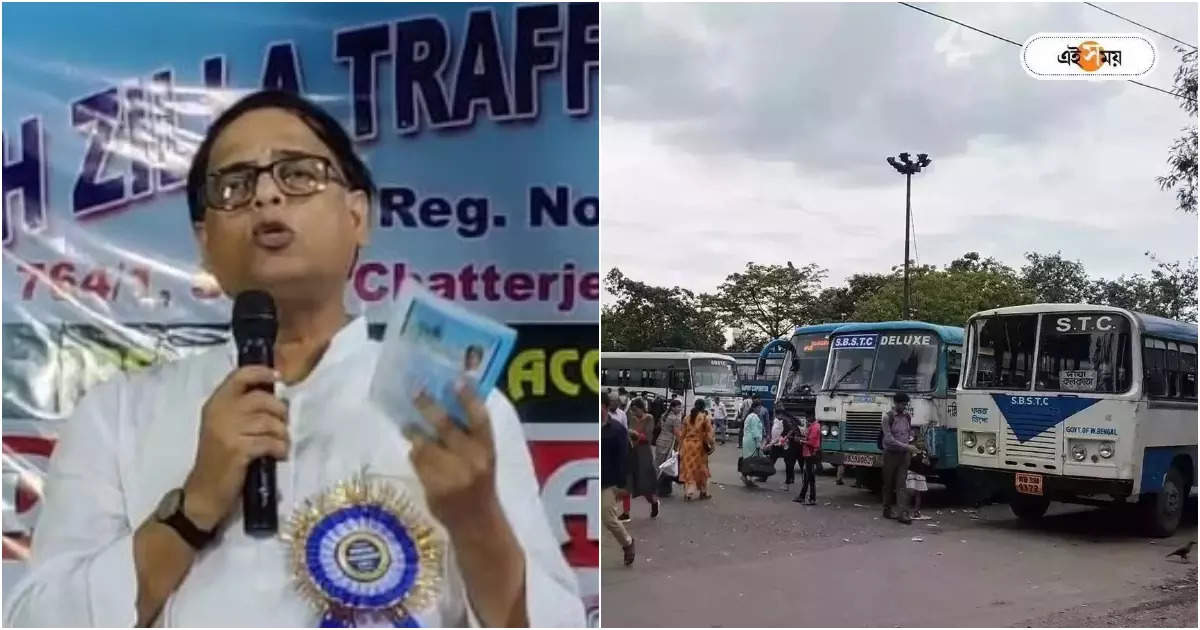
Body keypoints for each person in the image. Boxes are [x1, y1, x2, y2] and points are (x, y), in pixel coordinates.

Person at [2, 90, 583, 627]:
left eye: (299, 174)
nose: (266, 194)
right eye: (233, 185)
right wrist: (194, 507)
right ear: (205, 240)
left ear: (359, 217)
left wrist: (477, 518)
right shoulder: (117, 414)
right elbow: (40, 619)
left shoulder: (451, 409)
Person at [602, 399, 636, 566]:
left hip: (607, 482)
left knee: (608, 518)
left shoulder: (616, 430)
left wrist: (623, 484)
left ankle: (627, 543)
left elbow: (624, 457)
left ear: (606, 408)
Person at [881, 392, 919, 525]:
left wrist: (912, 441)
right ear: (896, 403)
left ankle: (903, 514)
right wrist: (907, 447)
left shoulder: (907, 417)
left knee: (901, 484)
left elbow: (909, 433)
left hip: (904, 455)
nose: (904, 406)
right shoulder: (888, 417)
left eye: (905, 404)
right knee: (888, 484)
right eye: (902, 404)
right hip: (890, 454)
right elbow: (889, 439)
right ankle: (887, 509)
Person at [624, 398, 661, 518]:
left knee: (646, 481)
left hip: (644, 452)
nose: (635, 413)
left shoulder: (649, 418)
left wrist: (635, 434)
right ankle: (626, 511)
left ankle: (653, 502)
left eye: (636, 410)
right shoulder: (632, 419)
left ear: (641, 408)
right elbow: (628, 432)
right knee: (630, 480)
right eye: (633, 410)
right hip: (633, 451)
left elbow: (648, 436)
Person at [679, 399, 715, 500]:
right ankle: (703, 492)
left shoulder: (687, 418)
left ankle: (688, 493)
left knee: (689, 469)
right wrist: (712, 445)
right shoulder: (704, 418)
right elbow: (709, 434)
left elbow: (682, 434)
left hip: (687, 445)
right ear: (703, 407)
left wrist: (679, 447)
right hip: (699, 447)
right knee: (702, 469)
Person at [654, 399, 684, 497]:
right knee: (665, 466)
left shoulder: (665, 415)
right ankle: (659, 489)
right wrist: (682, 444)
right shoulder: (674, 418)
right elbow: (677, 433)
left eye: (681, 407)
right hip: (667, 443)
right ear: (672, 407)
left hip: (660, 441)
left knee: (659, 464)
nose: (680, 409)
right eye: (678, 407)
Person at [793, 416, 821, 505]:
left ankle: (811, 498)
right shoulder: (814, 426)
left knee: (810, 477)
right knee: (807, 477)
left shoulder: (814, 427)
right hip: (810, 453)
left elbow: (812, 443)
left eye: (807, 421)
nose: (807, 423)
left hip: (810, 454)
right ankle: (803, 496)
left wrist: (801, 441)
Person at [907, 425, 932, 520]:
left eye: (923, 441)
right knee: (910, 492)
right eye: (920, 441)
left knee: (918, 494)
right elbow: (909, 461)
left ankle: (916, 511)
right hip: (911, 473)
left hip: (920, 475)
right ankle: (906, 511)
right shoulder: (912, 450)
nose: (922, 443)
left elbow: (928, 463)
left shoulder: (924, 452)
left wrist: (926, 461)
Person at [771, 413, 801, 492]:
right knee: (791, 463)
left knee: (789, 464)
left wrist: (785, 438)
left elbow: (788, 432)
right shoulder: (791, 420)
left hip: (791, 445)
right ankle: (791, 479)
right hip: (794, 445)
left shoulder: (785, 422)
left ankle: (787, 484)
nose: (777, 418)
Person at [739, 401, 765, 487]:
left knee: (748, 459)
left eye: (760, 408)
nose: (760, 409)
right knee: (753, 460)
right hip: (752, 440)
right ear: (754, 408)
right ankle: (747, 477)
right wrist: (758, 442)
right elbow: (755, 431)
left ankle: (747, 478)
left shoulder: (749, 416)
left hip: (747, 439)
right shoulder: (754, 417)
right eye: (758, 408)